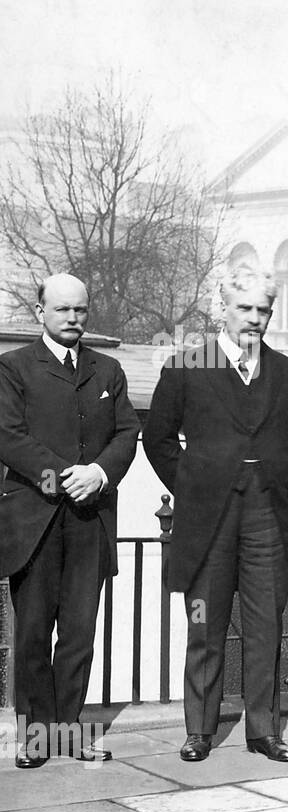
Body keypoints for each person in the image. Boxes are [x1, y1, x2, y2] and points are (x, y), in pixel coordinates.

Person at [143, 267, 288, 763]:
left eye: (263, 310)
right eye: (245, 309)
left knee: (264, 627)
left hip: (266, 516)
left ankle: (264, 730)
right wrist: (193, 490)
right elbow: (158, 439)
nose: (254, 319)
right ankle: (199, 729)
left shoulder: (287, 372)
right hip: (207, 518)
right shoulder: (186, 365)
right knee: (204, 624)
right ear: (223, 308)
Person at [0, 273, 137, 767]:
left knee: (79, 634)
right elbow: (9, 437)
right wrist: (63, 478)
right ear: (40, 312)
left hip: (88, 520)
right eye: (62, 310)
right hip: (34, 522)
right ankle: (36, 736)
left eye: (79, 310)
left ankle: (69, 730)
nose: (73, 319)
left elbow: (127, 433)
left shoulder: (108, 370)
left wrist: (98, 473)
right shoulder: (12, 368)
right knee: (34, 633)